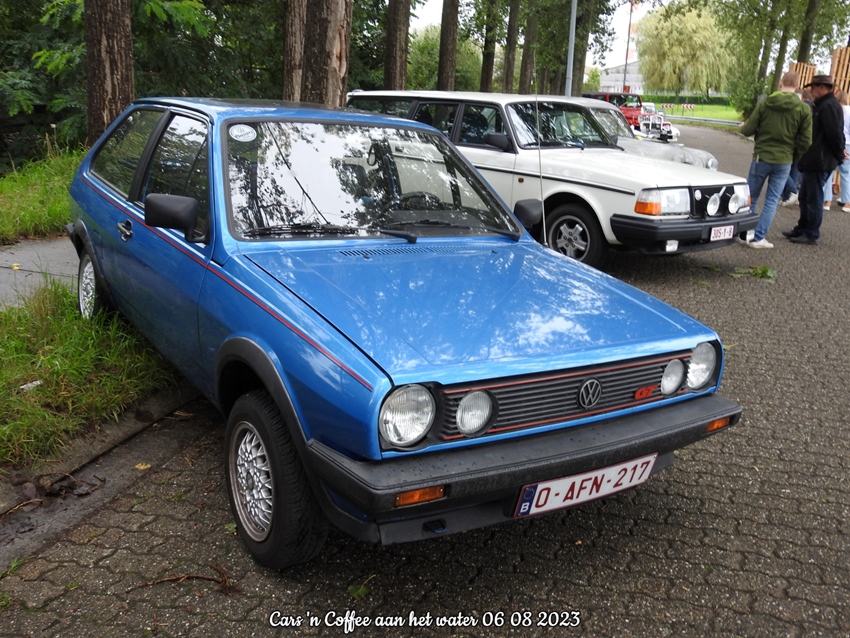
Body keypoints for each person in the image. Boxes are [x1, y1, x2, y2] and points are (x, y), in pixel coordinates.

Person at [738, 70, 812, 248]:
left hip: (761, 156)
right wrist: (794, 155)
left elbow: (748, 130)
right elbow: (806, 140)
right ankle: (758, 238)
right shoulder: (803, 109)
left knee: (751, 197)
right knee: (772, 200)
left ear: (780, 83)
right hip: (784, 159)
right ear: (797, 87)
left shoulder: (765, 103)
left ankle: (744, 234)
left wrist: (745, 127)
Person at [784, 74, 846, 245]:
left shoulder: (828, 106)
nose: (811, 90)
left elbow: (834, 134)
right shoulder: (824, 105)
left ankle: (811, 233)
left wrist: (839, 154)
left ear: (822, 87)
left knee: (814, 198)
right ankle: (803, 227)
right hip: (816, 159)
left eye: (813, 87)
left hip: (820, 160)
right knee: (805, 196)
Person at [820, 90, 850, 211]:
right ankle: (847, 202)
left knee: (829, 171)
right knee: (846, 174)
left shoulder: (833, 110)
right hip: (847, 144)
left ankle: (826, 201)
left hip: (833, 144)